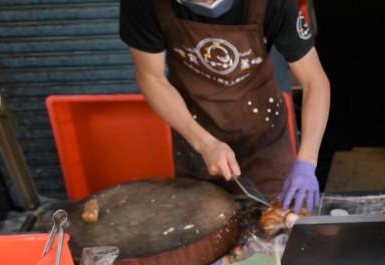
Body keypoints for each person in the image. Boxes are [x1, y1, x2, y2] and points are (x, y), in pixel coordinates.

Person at [119, 0, 330, 212]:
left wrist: (307, 161)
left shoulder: (274, 3)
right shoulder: (144, 4)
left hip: (265, 140)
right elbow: (152, 79)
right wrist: (204, 143)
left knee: (276, 228)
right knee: (203, 232)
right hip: (196, 138)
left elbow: (315, 82)